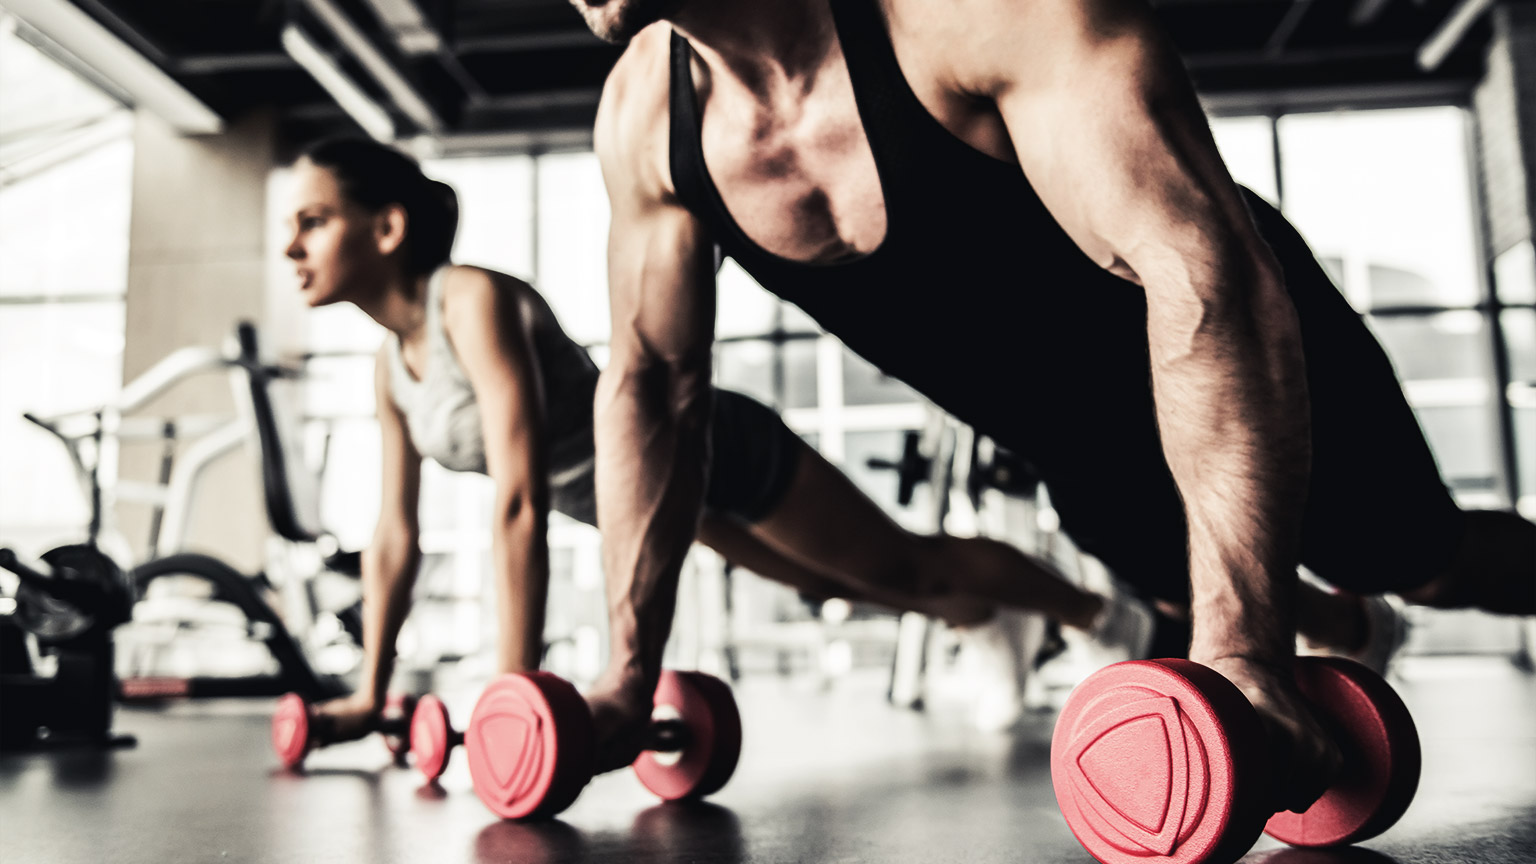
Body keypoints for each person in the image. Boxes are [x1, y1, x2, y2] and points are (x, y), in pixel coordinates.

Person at [574, 0, 1536, 812]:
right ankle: (1346, 629)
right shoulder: (644, 116)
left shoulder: (961, 17)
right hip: (1072, 449)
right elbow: (653, 387)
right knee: (1172, 586)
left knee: (1426, 562)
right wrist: (624, 679)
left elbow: (1199, 278)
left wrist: (1245, 652)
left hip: (1249, 353)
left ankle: (1363, 601)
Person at [280, 136, 1151, 740]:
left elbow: (519, 497)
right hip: (656, 502)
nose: (290, 245)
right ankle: (978, 620)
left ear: (387, 228)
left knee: (899, 565)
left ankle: (1102, 614)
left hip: (707, 447)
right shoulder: (390, 367)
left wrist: (516, 688)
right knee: (823, 581)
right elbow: (395, 538)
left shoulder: (469, 299)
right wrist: (368, 691)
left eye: (312, 220)